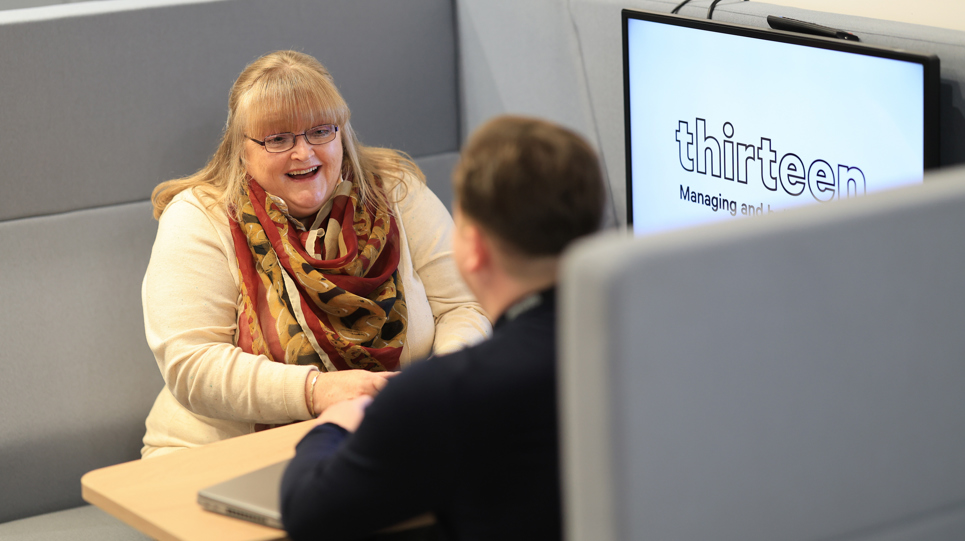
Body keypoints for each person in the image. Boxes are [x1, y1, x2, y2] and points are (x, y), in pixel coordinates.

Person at [140, 50, 491, 458]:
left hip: (389, 438)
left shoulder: (395, 190)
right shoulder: (199, 216)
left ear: (341, 133)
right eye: (278, 139)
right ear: (241, 148)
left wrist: (440, 382)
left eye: (320, 131)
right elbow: (193, 365)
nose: (304, 153)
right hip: (224, 456)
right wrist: (318, 391)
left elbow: (464, 306)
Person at [280, 115, 607, 540]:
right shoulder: (649, 351)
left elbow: (306, 512)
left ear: (474, 249)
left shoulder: (445, 393)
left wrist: (334, 424)